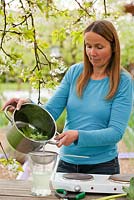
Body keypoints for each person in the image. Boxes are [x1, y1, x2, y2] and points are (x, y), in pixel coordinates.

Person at [2, 20, 133, 175]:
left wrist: (78, 135)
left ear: (113, 47)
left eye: (99, 47)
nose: (92, 53)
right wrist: (26, 108)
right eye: (88, 46)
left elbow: (115, 132)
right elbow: (50, 112)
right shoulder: (75, 72)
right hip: (67, 164)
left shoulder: (123, 81)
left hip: (103, 167)